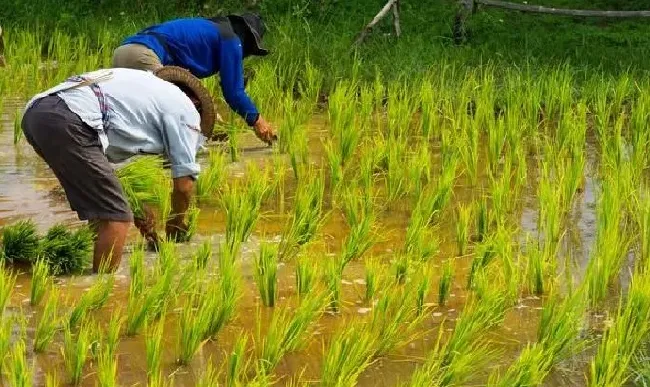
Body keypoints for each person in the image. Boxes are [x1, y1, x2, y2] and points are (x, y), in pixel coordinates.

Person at [21, 66, 215, 273]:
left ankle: (92, 271)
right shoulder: (185, 109)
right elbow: (184, 185)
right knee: (117, 217)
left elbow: (112, 174)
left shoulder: (141, 89)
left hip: (36, 114)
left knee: (101, 210)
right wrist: (175, 226)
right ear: (195, 102)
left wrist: (137, 207)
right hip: (73, 119)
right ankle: (102, 290)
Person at [113, 13, 276, 145]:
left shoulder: (210, 30)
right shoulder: (231, 40)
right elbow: (234, 93)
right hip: (144, 56)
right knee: (178, 116)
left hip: (123, 52)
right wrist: (258, 122)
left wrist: (212, 120)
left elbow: (184, 82)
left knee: (137, 118)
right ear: (247, 39)